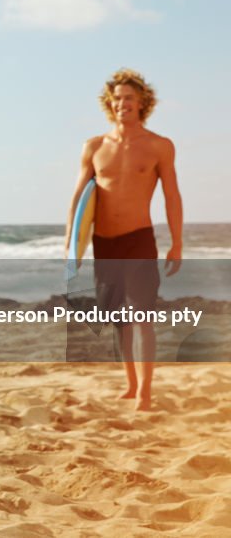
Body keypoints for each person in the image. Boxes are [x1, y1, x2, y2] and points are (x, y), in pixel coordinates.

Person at [64, 68, 182, 411]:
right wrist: (71, 245)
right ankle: (131, 384)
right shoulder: (95, 146)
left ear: (142, 101)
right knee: (118, 317)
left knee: (142, 315)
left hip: (139, 239)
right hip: (104, 242)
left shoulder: (159, 146)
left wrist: (177, 242)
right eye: (116, 99)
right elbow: (78, 199)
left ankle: (145, 392)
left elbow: (172, 196)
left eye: (128, 98)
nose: (122, 104)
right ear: (109, 104)